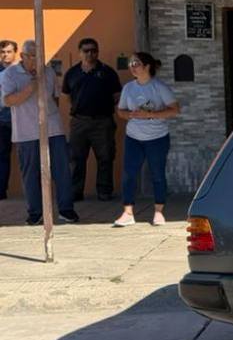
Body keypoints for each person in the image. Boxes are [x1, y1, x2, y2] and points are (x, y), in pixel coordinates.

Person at [0, 40, 79, 225]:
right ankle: (35, 212)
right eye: (34, 56)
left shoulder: (49, 71)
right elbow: (8, 100)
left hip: (52, 128)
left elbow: (55, 99)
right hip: (25, 131)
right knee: (30, 173)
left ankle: (66, 210)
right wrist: (31, 86)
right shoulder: (9, 74)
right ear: (23, 56)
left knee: (62, 169)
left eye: (40, 55)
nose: (37, 60)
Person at [115, 53, 180, 227]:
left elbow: (174, 109)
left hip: (157, 138)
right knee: (129, 174)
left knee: (157, 175)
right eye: (130, 64)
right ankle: (127, 212)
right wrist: (130, 114)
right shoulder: (128, 88)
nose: (132, 67)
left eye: (136, 63)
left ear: (147, 67)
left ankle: (158, 212)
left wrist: (150, 115)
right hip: (133, 137)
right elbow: (120, 111)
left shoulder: (159, 86)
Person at [62, 38, 123, 202]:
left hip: (103, 121)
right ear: (80, 52)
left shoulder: (108, 72)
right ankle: (76, 191)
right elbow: (68, 96)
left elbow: (116, 96)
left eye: (93, 50)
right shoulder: (72, 73)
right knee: (76, 158)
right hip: (79, 122)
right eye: (86, 50)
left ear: (98, 52)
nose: (90, 53)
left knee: (105, 157)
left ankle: (104, 191)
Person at [0, 40, 15, 201]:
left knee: (29, 156)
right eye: (3, 52)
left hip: (20, 119)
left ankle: (33, 191)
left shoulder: (20, 70)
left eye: (8, 51)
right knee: (2, 156)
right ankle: (1, 190)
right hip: (1, 120)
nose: (5, 55)